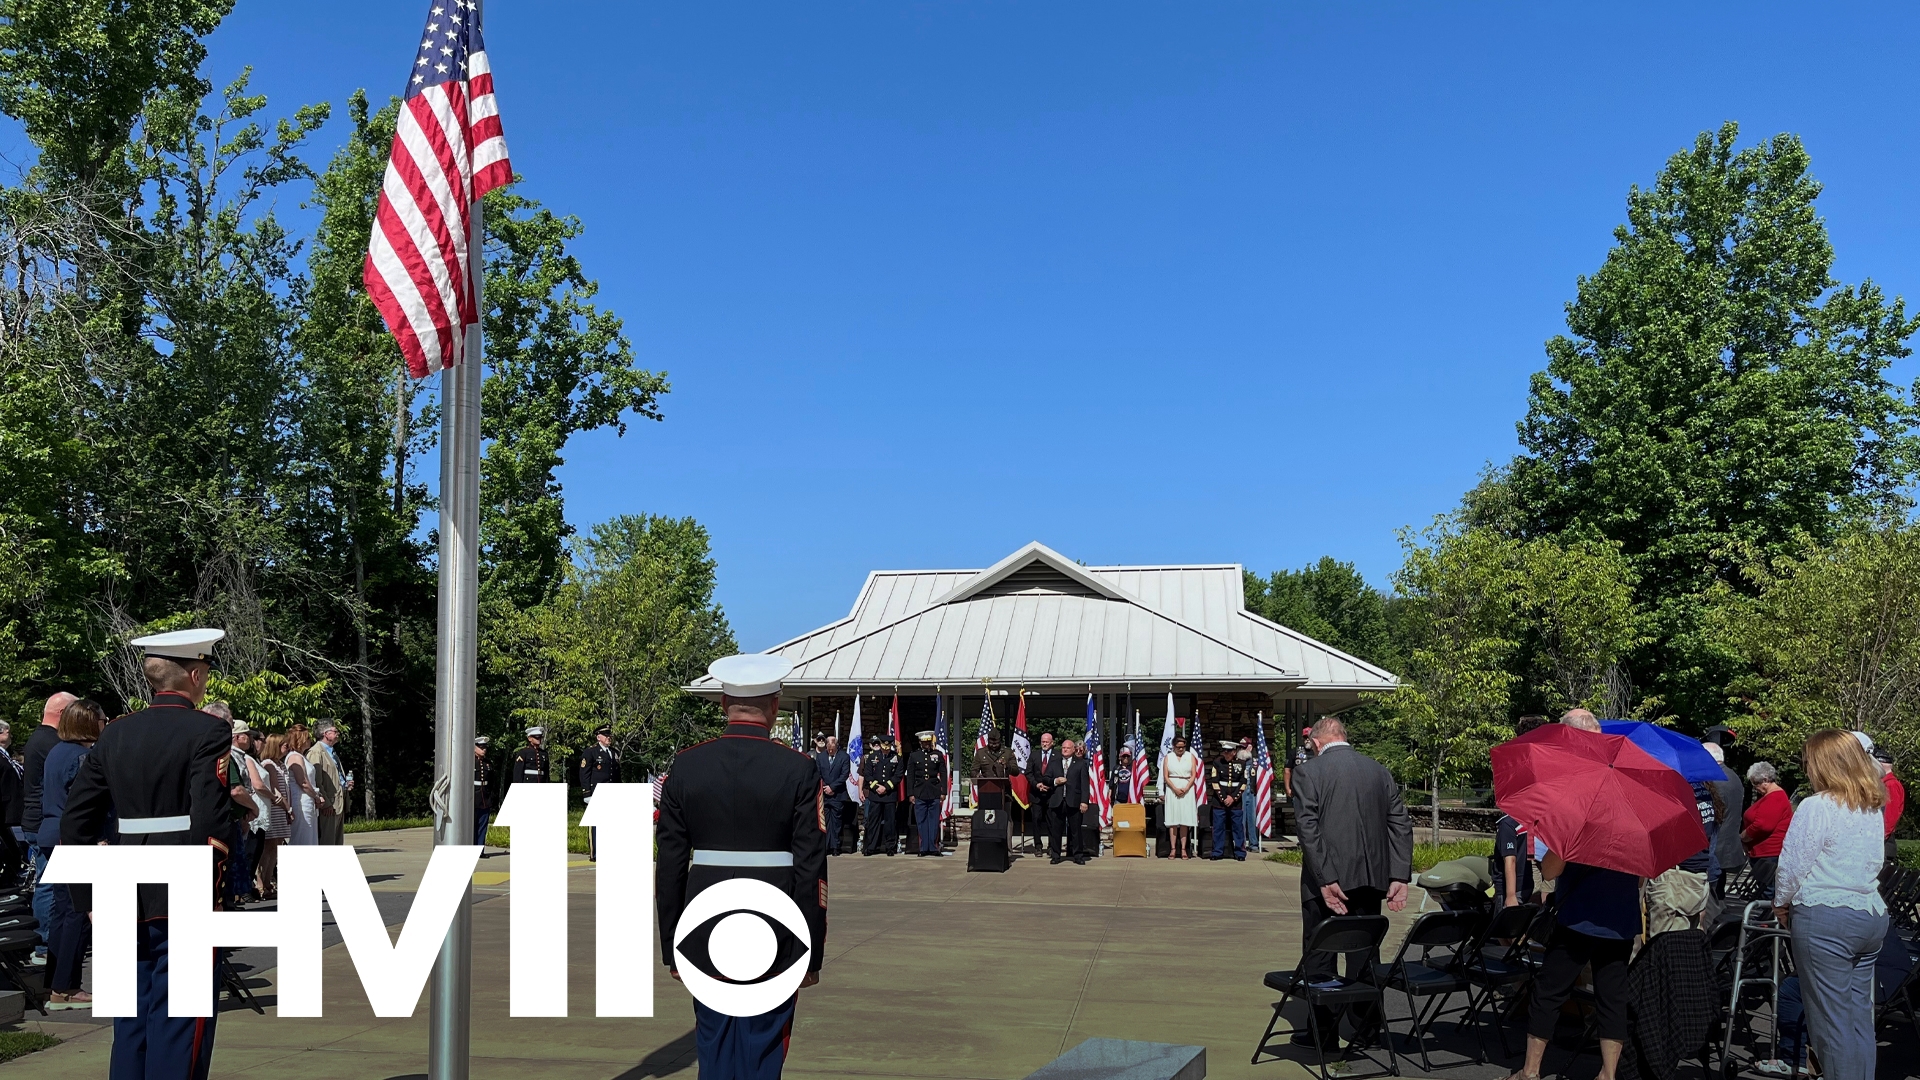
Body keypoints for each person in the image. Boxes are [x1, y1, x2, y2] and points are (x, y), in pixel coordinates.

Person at [61, 628, 234, 1080]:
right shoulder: (209, 729)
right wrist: (213, 896)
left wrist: (90, 899)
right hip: (181, 889)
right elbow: (211, 823)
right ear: (195, 675)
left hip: (120, 890)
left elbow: (75, 823)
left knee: (131, 1025)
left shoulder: (115, 733)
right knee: (179, 1022)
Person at [656, 654, 826, 1079]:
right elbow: (810, 869)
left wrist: (672, 947)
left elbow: (670, 865)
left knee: (712, 1037)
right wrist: (812, 953)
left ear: (721, 703)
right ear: (775, 705)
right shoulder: (799, 768)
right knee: (765, 1038)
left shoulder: (687, 765)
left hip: (703, 920)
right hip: (776, 921)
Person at [1291, 715, 1413, 1049]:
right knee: (1364, 952)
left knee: (1321, 954)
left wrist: (1325, 878)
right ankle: (1367, 1032)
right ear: (1343, 736)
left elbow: (1308, 829)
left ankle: (1324, 1033)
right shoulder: (1378, 770)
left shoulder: (1308, 771)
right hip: (1373, 879)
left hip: (1326, 884)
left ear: (1316, 743)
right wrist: (1400, 874)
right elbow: (1400, 823)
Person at [1773, 729, 1888, 1080]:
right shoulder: (1871, 807)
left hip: (1825, 918)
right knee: (1857, 1022)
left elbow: (1792, 865)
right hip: (1869, 913)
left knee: (1830, 1026)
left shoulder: (1817, 805)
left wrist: (1781, 904)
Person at [1510, 848, 1640, 1080]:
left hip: (1578, 920)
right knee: (1612, 1000)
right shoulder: (1634, 833)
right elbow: (1639, 881)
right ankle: (1608, 1074)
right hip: (1620, 923)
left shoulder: (1579, 824)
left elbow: (1550, 871)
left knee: (1548, 992)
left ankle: (1530, 1071)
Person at [38, 697, 107, 1009]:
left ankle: (56, 982)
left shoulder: (56, 752)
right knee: (77, 912)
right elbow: (86, 805)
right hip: (75, 839)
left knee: (63, 911)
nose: (104, 724)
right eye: (102, 720)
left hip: (54, 833)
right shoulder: (82, 757)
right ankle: (66, 986)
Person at [21, 691, 75, 962]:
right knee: (49, 884)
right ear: (63, 714)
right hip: (44, 820)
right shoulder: (52, 743)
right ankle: (43, 944)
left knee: (49, 882)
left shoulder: (38, 739)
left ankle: (48, 940)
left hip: (36, 819)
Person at [1646, 778, 1718, 934]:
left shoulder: (1677, 792)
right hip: (1696, 874)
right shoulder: (1704, 792)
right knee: (1686, 940)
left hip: (1675, 877)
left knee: (1663, 942)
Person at [1703, 741, 1747, 907]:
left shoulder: (1716, 781)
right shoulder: (1732, 775)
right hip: (1727, 842)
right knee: (1718, 892)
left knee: (1713, 897)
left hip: (1717, 844)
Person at [1743, 761, 1793, 897]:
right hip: (1763, 853)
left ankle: (1766, 917)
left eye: (1756, 783)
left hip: (1769, 854)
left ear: (1765, 780)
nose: (1755, 788)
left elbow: (1762, 825)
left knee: (1767, 891)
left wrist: (1744, 836)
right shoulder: (1769, 797)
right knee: (1764, 889)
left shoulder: (1775, 797)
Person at [256, 734, 292, 898]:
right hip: (276, 808)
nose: (287, 747)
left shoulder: (280, 764)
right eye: (284, 745)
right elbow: (276, 790)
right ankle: (261, 883)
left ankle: (269, 881)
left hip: (282, 808)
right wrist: (287, 808)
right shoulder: (269, 764)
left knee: (276, 847)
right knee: (268, 847)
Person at [578, 725, 619, 861]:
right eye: (605, 735)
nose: (608, 737)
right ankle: (595, 853)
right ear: (598, 737)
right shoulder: (591, 752)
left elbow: (616, 775)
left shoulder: (614, 752)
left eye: (609, 735)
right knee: (595, 824)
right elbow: (584, 773)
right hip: (596, 792)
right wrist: (587, 793)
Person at [1029, 733, 1069, 863]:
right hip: (1036, 793)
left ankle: (1052, 846)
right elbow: (1028, 773)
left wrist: (1050, 785)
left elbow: (1060, 773)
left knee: (1052, 821)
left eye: (1047, 741)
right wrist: (1037, 784)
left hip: (1052, 793)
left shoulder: (1058, 756)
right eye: (1042, 741)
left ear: (1052, 742)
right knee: (1036, 819)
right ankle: (1038, 846)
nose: (1044, 744)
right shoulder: (1034, 755)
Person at [1161, 734, 1201, 859]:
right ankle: (1173, 849)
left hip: (1187, 787)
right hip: (1172, 788)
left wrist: (1187, 787)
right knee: (1173, 820)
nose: (1181, 749)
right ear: (1173, 747)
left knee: (1185, 819)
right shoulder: (1168, 757)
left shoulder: (1190, 756)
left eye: (1183, 747)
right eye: (1178, 747)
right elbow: (1166, 776)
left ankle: (1183, 849)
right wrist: (1174, 789)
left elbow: (1194, 774)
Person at [1207, 739, 1248, 861]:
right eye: (1224, 751)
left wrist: (1233, 798)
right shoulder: (1217, 763)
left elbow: (1243, 783)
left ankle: (1240, 853)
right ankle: (1217, 852)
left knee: (1238, 828)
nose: (1225, 753)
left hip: (1236, 802)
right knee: (1218, 827)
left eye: (1228, 751)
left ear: (1234, 752)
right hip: (1219, 802)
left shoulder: (1242, 764)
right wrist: (1224, 798)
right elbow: (1214, 782)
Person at [908, 730, 947, 857]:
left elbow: (943, 773)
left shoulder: (938, 754)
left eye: (928, 742)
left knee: (934, 821)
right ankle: (923, 848)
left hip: (934, 791)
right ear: (920, 743)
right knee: (921, 821)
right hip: (919, 792)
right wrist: (911, 794)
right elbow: (911, 777)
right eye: (924, 743)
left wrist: (943, 791)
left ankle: (933, 847)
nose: (927, 744)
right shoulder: (914, 756)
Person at [861, 736, 902, 856]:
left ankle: (890, 847)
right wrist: (876, 787)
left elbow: (898, 775)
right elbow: (867, 774)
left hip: (889, 795)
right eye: (884, 748)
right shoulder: (872, 757)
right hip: (875, 795)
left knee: (890, 823)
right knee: (873, 822)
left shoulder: (897, 757)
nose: (886, 750)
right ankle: (871, 847)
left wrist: (886, 787)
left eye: (888, 748)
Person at [311, 720, 349, 845]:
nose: (338, 733)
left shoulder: (331, 752)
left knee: (337, 842)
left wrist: (345, 784)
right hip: (328, 805)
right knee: (327, 842)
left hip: (338, 803)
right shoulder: (316, 752)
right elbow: (315, 780)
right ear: (325, 734)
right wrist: (325, 803)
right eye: (335, 731)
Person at [283, 727, 323, 846]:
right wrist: (316, 796)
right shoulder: (295, 757)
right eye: (307, 738)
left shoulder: (301, 757)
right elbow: (303, 782)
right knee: (302, 837)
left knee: (309, 837)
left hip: (308, 800)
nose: (310, 740)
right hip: (301, 801)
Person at [812, 735, 851, 855]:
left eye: (832, 749)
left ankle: (835, 847)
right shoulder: (821, 757)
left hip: (837, 795)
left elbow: (844, 775)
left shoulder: (844, 757)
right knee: (825, 821)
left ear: (836, 746)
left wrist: (832, 787)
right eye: (828, 749)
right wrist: (825, 787)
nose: (830, 751)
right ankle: (826, 846)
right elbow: (818, 773)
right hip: (824, 794)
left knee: (836, 822)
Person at [1494, 811, 1534, 909]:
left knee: (1504, 923)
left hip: (1510, 887)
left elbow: (1510, 860)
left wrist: (1510, 895)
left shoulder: (1507, 824)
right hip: (1526, 881)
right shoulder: (1527, 821)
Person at [1061, 737, 1091, 864]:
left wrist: (1084, 801)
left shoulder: (1085, 763)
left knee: (1076, 829)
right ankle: (1067, 850)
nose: (1079, 752)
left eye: (1081, 750)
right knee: (1061, 828)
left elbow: (1085, 784)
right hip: (1062, 799)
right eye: (1077, 749)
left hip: (1076, 799)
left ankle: (1078, 855)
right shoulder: (1062, 761)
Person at [472, 736, 497, 847]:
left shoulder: (488, 763)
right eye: (481, 747)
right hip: (473, 797)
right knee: (472, 825)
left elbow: (492, 782)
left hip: (485, 798)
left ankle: (480, 849)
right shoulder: (469, 762)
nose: (484, 750)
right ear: (474, 748)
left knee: (482, 826)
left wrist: (491, 796)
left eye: (485, 747)